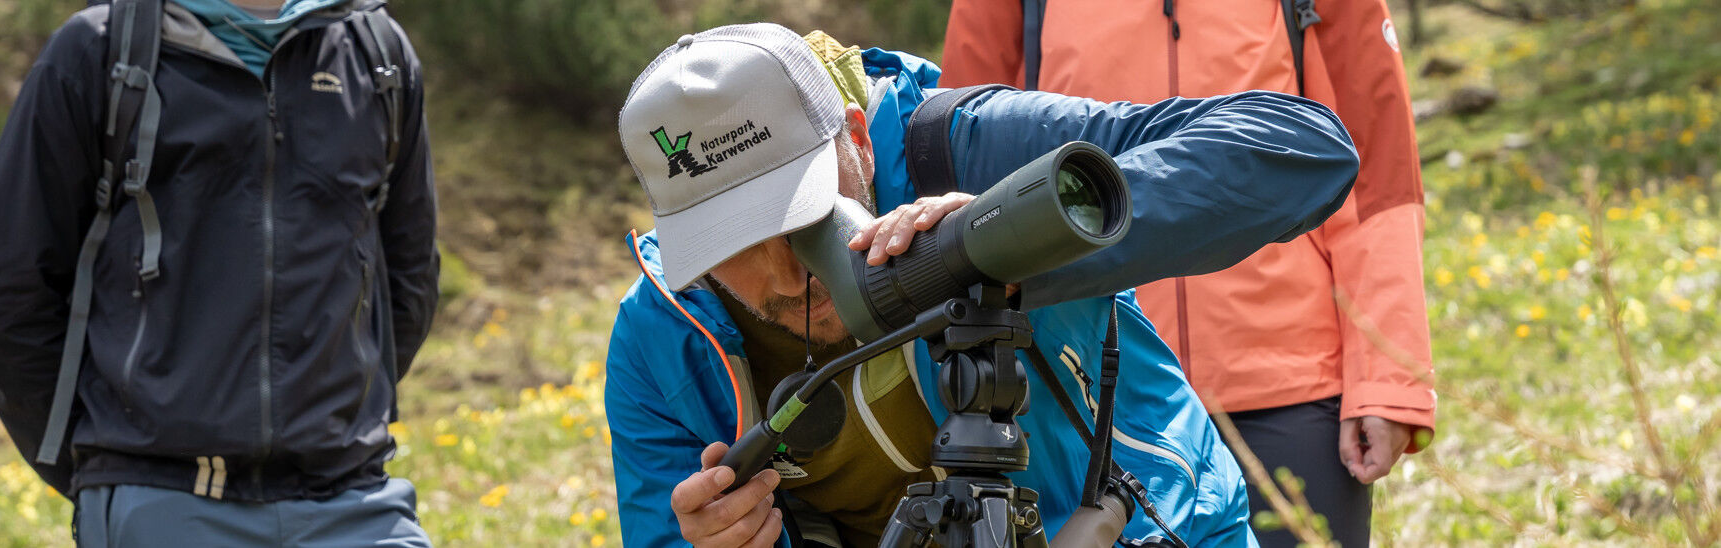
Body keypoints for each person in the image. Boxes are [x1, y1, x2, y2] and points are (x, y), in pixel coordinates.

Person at [605, 23, 1361, 547]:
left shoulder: (959, 148)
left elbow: (1302, 149)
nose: (783, 276)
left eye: (799, 215)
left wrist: (1015, 236)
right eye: (732, 243)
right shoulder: (659, 339)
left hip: (1134, 529)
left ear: (857, 140)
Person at [939, 1, 1437, 545]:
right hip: (1093, 390)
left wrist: (1387, 380)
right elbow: (954, 154)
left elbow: (1377, 179)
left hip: (1289, 383)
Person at [0, 0, 437, 544]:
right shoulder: (99, 52)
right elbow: (4, 295)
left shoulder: (379, 58)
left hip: (353, 500)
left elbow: (408, 280)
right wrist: (104, 463)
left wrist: (333, 415)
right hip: (164, 501)